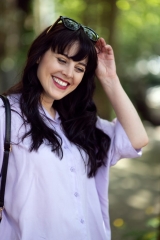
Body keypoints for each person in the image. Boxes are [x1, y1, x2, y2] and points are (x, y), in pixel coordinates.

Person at [0, 16, 148, 240]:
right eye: (62, 60)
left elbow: (136, 139)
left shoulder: (78, 123)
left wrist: (109, 78)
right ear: (39, 55)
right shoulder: (5, 115)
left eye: (79, 68)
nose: (69, 73)